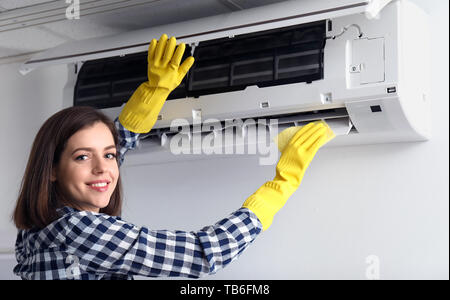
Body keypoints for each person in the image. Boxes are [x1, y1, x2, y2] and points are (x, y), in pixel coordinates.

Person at [12, 35, 334, 280]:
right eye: (82, 157)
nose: (104, 169)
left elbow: (110, 152)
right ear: (51, 169)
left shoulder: (43, 224)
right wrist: (283, 183)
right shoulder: (80, 230)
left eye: (108, 155)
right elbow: (202, 255)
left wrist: (155, 90)